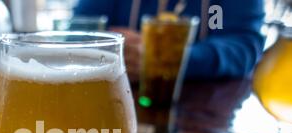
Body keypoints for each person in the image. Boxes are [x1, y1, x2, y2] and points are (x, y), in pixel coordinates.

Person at [74, 0, 265, 81]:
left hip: (199, 116)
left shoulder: (217, 10)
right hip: (113, 95)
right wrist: (109, 48)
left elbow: (241, 45)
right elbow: (81, 27)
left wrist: (166, 57)